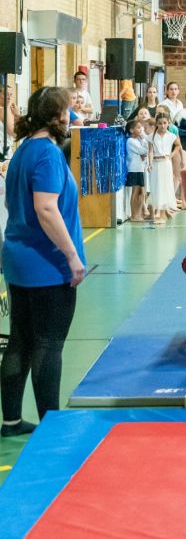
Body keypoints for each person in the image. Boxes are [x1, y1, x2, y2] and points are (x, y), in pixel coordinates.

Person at [0, 87, 87, 435]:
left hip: (19, 258)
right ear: (57, 117)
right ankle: (51, 424)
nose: (71, 117)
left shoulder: (22, 150)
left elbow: (13, 204)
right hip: (46, 265)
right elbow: (46, 208)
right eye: (68, 111)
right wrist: (72, 257)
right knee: (49, 344)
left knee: (20, 340)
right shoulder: (48, 155)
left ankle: (11, 419)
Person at [148, 113, 178, 223]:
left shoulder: (171, 135)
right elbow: (150, 151)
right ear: (156, 124)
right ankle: (160, 211)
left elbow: (178, 145)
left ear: (168, 123)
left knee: (165, 186)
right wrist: (149, 163)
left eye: (165, 123)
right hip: (156, 164)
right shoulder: (152, 136)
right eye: (160, 123)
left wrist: (171, 155)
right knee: (157, 186)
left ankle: (162, 213)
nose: (163, 125)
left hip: (166, 163)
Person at [125, 120, 149, 223]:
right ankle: (134, 215)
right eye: (138, 128)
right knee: (136, 191)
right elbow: (142, 151)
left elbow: (144, 153)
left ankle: (138, 214)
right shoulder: (131, 141)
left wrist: (143, 151)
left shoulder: (137, 141)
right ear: (131, 130)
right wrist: (144, 140)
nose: (141, 130)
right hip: (134, 169)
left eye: (141, 127)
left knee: (141, 192)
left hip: (140, 168)